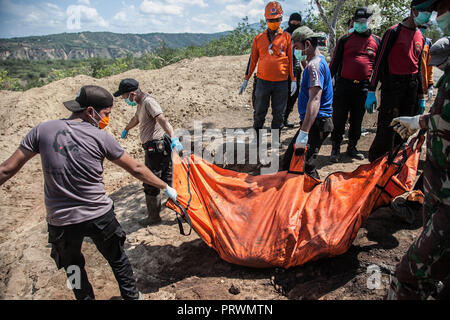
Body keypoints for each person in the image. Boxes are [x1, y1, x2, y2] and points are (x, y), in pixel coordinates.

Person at [0, 85, 178, 300]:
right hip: (99, 217)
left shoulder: (42, 130)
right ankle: (133, 297)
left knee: (72, 268)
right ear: (90, 111)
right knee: (118, 259)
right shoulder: (101, 137)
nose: (106, 119)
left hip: (61, 222)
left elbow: (6, 169)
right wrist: (165, 186)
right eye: (106, 114)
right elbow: (137, 169)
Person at [387, 0, 449, 300]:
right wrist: (422, 122)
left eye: (441, 10)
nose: (437, 17)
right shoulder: (394, 33)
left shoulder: (422, 39)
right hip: (437, 184)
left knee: (408, 276)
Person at [366, 0, 429, 163]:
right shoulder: (393, 32)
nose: (426, 15)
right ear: (413, 10)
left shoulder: (420, 36)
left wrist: (421, 96)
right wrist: (371, 90)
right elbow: (379, 62)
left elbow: (419, 68)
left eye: (429, 12)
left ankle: (393, 165)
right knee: (386, 130)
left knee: (404, 132)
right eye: (424, 11)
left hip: (412, 88)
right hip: (393, 88)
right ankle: (375, 165)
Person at [117, 78, 183, 226]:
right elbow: (136, 118)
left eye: (125, 97)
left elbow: (162, 120)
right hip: (154, 148)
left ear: (132, 94)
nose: (125, 101)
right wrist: (127, 128)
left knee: (152, 182)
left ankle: (155, 217)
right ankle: (180, 211)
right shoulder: (140, 104)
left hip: (157, 148)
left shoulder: (148, 102)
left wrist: (173, 137)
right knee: (167, 179)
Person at [239, 1, 297, 143]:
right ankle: (257, 139)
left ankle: (275, 140)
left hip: (281, 83)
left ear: (281, 19)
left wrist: (294, 79)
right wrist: (246, 78)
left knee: (279, 114)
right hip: (263, 82)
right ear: (266, 20)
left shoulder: (287, 37)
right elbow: (252, 60)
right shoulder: (258, 39)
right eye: (271, 20)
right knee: (259, 112)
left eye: (276, 20)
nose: (273, 22)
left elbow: (292, 59)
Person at [281, 26, 334, 180]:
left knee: (301, 164)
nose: (295, 51)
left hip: (317, 122)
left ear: (308, 44)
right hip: (318, 122)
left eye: (296, 47)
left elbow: (315, 99)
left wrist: (304, 132)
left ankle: (315, 195)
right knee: (302, 162)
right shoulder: (318, 60)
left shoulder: (314, 67)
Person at [329, 7, 381, 163]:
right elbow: (334, 63)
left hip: (363, 87)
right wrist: (328, 85)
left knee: (357, 120)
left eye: (363, 22)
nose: (360, 25)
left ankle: (352, 147)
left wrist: (373, 90)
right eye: (357, 22)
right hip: (344, 86)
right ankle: (335, 148)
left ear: (370, 21)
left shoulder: (377, 41)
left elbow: (379, 67)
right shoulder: (345, 39)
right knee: (338, 118)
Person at [283, 12, 304, 129]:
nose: (295, 24)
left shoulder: (301, 35)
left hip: (296, 68)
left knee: (294, 94)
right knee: (283, 94)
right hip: (284, 68)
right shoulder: (285, 34)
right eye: (293, 22)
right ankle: (279, 119)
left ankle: (285, 117)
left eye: (297, 22)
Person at [418, 23, 435, 101]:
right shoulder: (408, 39)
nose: (422, 29)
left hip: (422, 86)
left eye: (424, 27)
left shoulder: (428, 42)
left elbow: (429, 66)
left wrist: (430, 84)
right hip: (408, 84)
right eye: (421, 26)